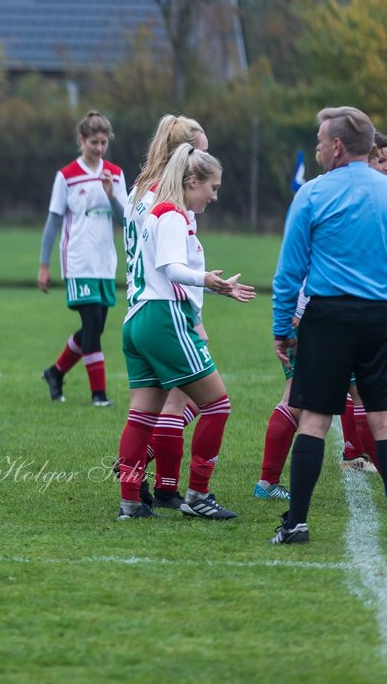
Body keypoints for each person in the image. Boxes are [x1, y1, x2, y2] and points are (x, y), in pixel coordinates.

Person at [115, 145, 255, 520]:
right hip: (164, 317)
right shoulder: (174, 215)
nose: (214, 195)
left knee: (142, 415)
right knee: (218, 405)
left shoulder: (155, 211)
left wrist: (214, 287)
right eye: (212, 186)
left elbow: (162, 269)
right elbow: (173, 268)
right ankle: (198, 496)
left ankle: (130, 501)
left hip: (138, 318)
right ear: (191, 181)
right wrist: (206, 279)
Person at [271, 108, 387, 545]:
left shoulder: (313, 194)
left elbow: (289, 273)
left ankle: (296, 524)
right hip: (380, 317)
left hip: (328, 317)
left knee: (315, 420)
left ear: (337, 146)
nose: (317, 148)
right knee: (383, 420)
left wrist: (282, 328)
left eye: (320, 140)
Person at [123, 115, 224, 512]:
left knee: (150, 410)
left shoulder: (139, 191)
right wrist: (195, 312)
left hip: (138, 304)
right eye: (201, 152)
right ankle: (183, 491)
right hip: (165, 305)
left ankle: (145, 489)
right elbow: (171, 262)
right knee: (199, 402)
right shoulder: (170, 204)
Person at [39, 112, 128, 407]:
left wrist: (111, 194)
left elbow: (124, 219)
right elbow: (53, 222)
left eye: (103, 142)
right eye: (93, 142)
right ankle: (99, 395)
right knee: (91, 326)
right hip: (78, 260)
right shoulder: (66, 175)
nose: (99, 148)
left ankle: (55, 372)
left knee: (96, 328)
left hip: (105, 262)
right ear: (81, 140)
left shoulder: (114, 174)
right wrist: (44, 264)